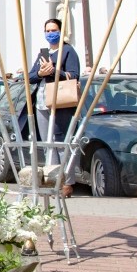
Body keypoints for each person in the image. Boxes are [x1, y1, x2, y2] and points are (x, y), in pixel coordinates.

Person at [27, 18, 81, 199]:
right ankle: (52, 180)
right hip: (43, 102)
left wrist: (55, 71)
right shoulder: (43, 53)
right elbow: (31, 75)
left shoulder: (68, 51)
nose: (51, 33)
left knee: (61, 143)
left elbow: (74, 75)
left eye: (54, 29)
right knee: (48, 143)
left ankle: (67, 182)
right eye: (48, 30)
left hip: (60, 102)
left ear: (61, 31)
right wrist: (41, 73)